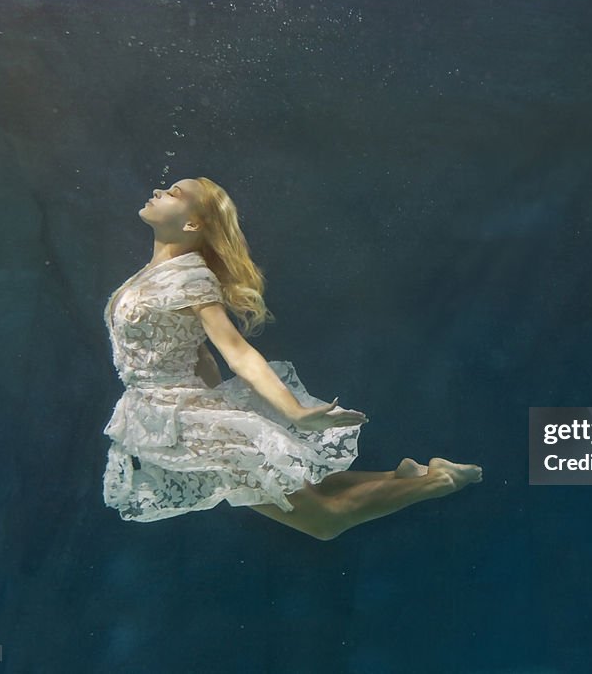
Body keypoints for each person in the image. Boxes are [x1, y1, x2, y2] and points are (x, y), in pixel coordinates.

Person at [102, 177, 482, 540]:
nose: (158, 190)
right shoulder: (155, 276)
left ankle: (437, 482)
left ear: (191, 223)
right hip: (170, 418)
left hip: (177, 419)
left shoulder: (189, 279)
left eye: (174, 193)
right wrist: (224, 413)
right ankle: (404, 477)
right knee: (294, 484)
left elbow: (237, 351)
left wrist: (292, 412)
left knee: (323, 521)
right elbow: (198, 354)